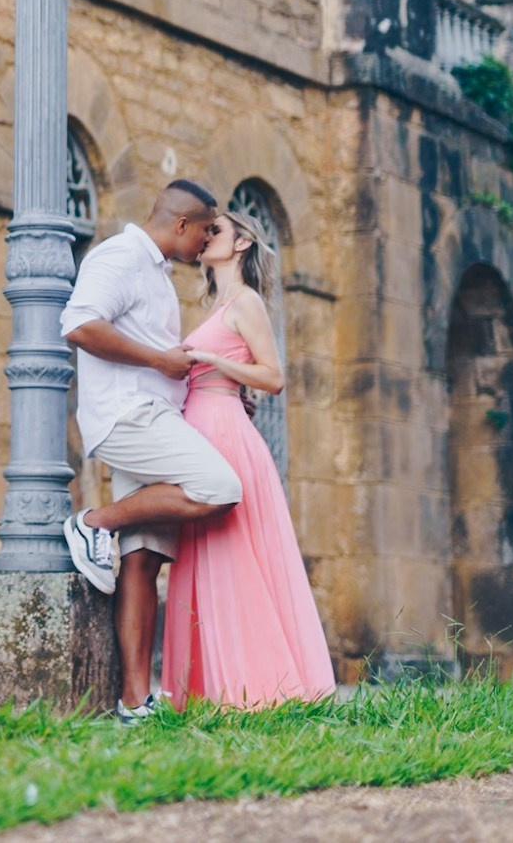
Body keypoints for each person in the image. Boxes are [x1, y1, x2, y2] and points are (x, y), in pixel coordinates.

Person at [59, 180, 243, 724]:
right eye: (207, 229)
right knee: (220, 488)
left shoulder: (157, 272)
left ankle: (134, 702)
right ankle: (93, 522)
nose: (208, 239)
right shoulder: (119, 256)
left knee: (143, 562)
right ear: (181, 224)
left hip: (153, 417)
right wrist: (158, 362)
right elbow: (79, 325)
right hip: (127, 415)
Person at [160, 207, 335, 709]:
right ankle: (206, 691)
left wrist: (214, 362)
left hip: (228, 437)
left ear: (240, 244)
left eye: (216, 230)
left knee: (234, 557)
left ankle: (257, 688)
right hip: (201, 433)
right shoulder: (217, 306)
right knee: (201, 559)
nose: (206, 236)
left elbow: (273, 377)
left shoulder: (247, 302)